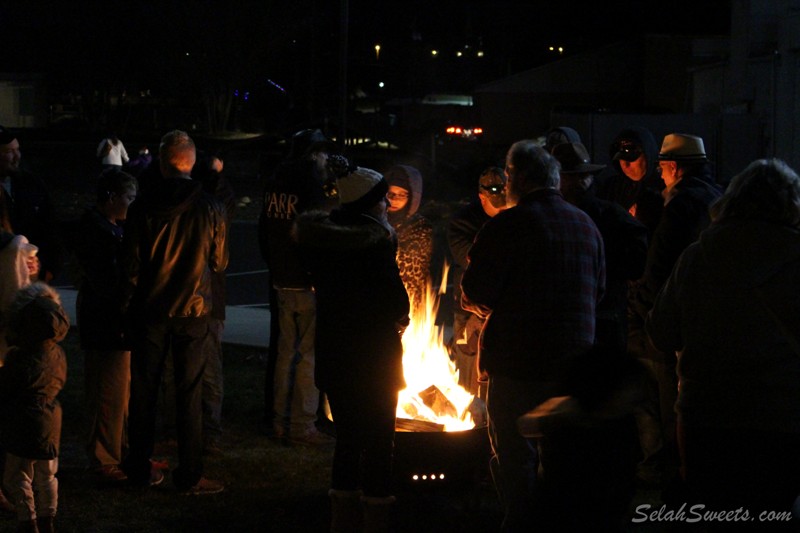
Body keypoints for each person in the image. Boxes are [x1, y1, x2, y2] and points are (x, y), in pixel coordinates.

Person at [646, 158, 800, 528]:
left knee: (711, 513)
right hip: (782, 416)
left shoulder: (697, 257)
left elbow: (661, 333)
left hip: (706, 417)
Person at [460, 140, 605, 531]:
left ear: (518, 178)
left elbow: (475, 293)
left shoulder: (506, 226)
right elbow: (599, 292)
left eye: (507, 176)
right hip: (574, 364)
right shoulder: (586, 226)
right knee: (562, 456)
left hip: (517, 363)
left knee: (516, 455)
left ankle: (522, 524)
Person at [294, 162, 410, 533]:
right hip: (374, 359)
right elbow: (397, 305)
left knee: (347, 440)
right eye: (383, 200)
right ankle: (375, 517)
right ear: (370, 205)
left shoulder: (323, 244)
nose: (388, 206)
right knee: (378, 442)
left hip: (336, 356)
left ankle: (341, 520)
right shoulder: (375, 246)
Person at [120, 130, 228, 495]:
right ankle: (191, 473)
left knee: (144, 391)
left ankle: (138, 467)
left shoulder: (142, 207)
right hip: (193, 311)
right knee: (189, 393)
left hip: (150, 310)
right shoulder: (211, 206)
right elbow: (220, 261)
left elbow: (131, 267)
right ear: (191, 163)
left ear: (163, 164)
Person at [628, 132, 722, 491]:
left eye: (663, 168)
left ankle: (668, 477)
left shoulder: (680, 206)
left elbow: (659, 267)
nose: (661, 176)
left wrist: (642, 312)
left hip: (672, 324)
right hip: (706, 323)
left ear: (672, 168)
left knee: (666, 404)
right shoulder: (716, 199)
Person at [258, 129, 337, 446]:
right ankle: (302, 424)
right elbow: (317, 234)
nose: (324, 159)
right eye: (321, 154)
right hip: (306, 283)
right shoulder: (311, 185)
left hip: (281, 280)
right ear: (313, 154)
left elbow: (264, 231)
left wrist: (276, 267)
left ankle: (279, 421)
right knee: (308, 356)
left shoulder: (275, 182)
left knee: (284, 353)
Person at [68, 169, 138, 486]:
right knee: (106, 390)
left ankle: (118, 449)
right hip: (105, 322)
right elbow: (108, 282)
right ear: (111, 198)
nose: (131, 205)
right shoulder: (96, 232)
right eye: (129, 198)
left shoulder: (110, 228)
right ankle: (104, 457)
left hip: (113, 320)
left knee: (119, 390)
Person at [551, 142, 649, 352]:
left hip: (577, 326)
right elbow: (638, 262)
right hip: (609, 322)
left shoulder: (556, 220)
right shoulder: (612, 215)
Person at [0, 282, 69, 533]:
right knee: (47, 474)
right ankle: (47, 518)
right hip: (51, 419)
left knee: (17, 475)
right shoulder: (58, 354)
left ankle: (27, 519)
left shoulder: (21, 358)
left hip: (24, 420)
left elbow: (7, 386)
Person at [447, 166, 507, 397]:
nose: (503, 207)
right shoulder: (463, 222)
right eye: (497, 202)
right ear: (482, 197)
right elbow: (472, 260)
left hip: (502, 309)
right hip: (470, 310)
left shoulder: (514, 216)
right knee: (469, 377)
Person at [193, 151, 235, 455]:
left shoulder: (192, 202)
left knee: (199, 367)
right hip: (206, 298)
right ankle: (207, 428)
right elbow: (219, 261)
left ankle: (205, 428)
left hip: (197, 298)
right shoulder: (217, 207)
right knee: (208, 367)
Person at [0, 125, 61, 284]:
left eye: (17, 149)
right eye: (8, 152)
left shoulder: (31, 184)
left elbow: (49, 225)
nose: (16, 156)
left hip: (32, 274)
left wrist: (50, 268)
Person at [594, 126, 664, 235]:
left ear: (647, 155)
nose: (625, 165)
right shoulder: (611, 188)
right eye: (621, 160)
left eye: (632, 159)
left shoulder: (664, 189)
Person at [384, 164, 433, 316]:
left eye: (401, 194)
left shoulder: (420, 228)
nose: (394, 199)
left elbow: (416, 274)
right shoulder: (375, 224)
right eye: (390, 193)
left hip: (410, 301)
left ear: (412, 197)